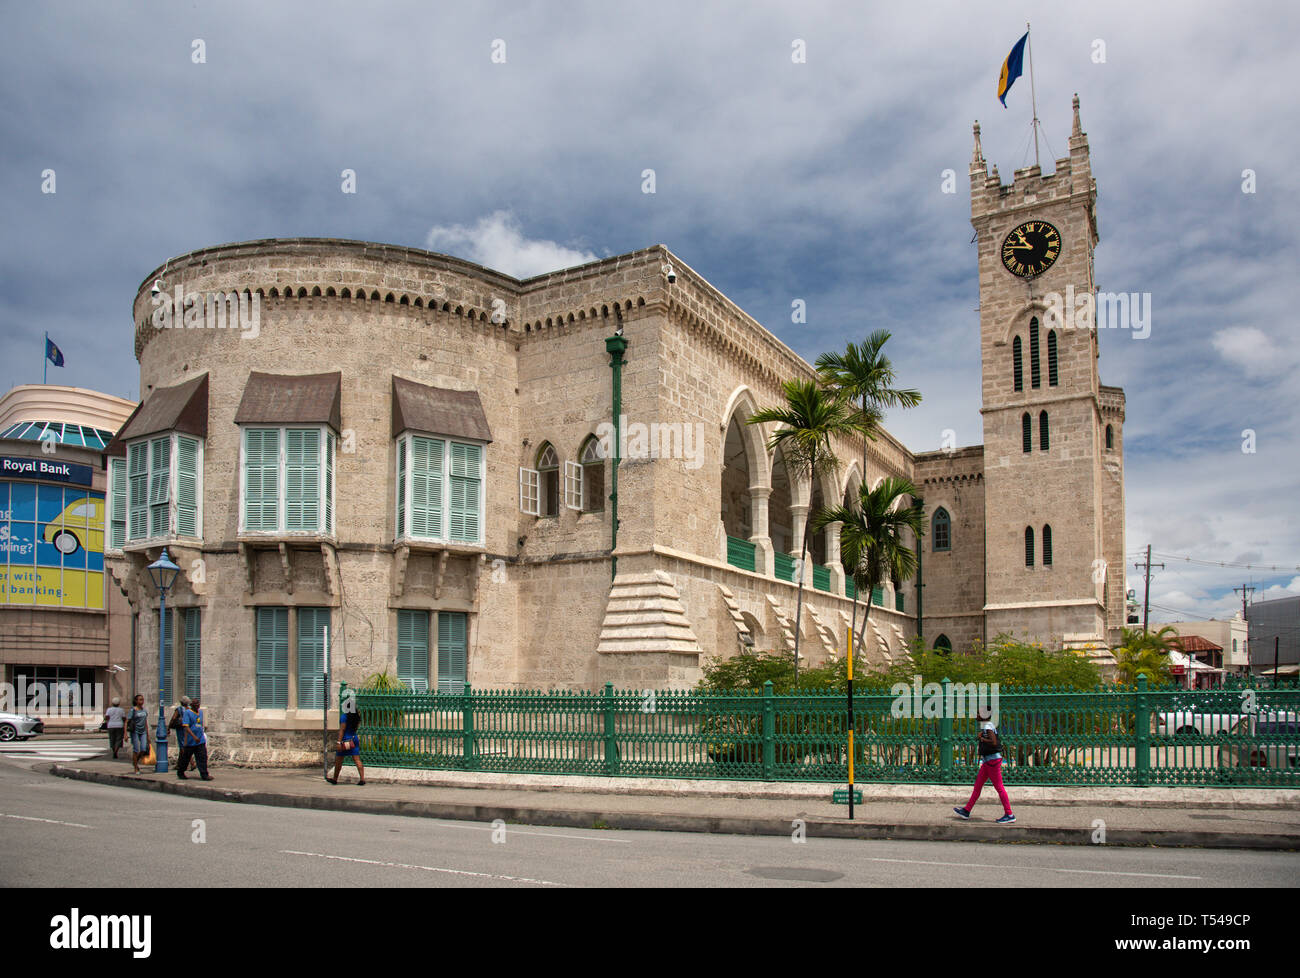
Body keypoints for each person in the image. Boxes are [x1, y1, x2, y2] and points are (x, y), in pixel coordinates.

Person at [953, 707, 1015, 824]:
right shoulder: (988, 725)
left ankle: (1009, 813)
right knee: (978, 786)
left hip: (992, 761)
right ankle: (966, 810)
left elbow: (994, 742)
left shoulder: (987, 726)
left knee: (999, 788)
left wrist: (981, 738)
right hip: (988, 761)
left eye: (978, 713)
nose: (976, 715)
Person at [327, 701, 365, 785]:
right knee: (357, 759)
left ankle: (335, 778)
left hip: (345, 740)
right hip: (354, 739)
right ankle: (362, 779)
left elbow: (342, 730)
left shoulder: (344, 717)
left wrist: (339, 742)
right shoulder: (357, 717)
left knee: (339, 759)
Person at [176, 695, 212, 781]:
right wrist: (193, 737)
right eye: (195, 704)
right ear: (191, 705)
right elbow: (186, 727)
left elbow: (200, 725)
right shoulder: (187, 713)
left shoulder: (201, 712)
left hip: (200, 740)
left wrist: (202, 735)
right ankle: (180, 772)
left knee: (202, 757)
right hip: (191, 741)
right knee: (186, 758)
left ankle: (204, 774)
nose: (197, 706)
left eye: (198, 704)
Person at [127, 694, 150, 773]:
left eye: (142, 699)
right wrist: (125, 734)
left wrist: (148, 735)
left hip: (143, 731)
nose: (142, 701)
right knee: (136, 749)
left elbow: (145, 723)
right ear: (136, 701)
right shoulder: (133, 710)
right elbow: (127, 722)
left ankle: (135, 761)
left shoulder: (144, 711)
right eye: (140, 700)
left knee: (143, 749)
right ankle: (136, 767)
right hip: (135, 731)